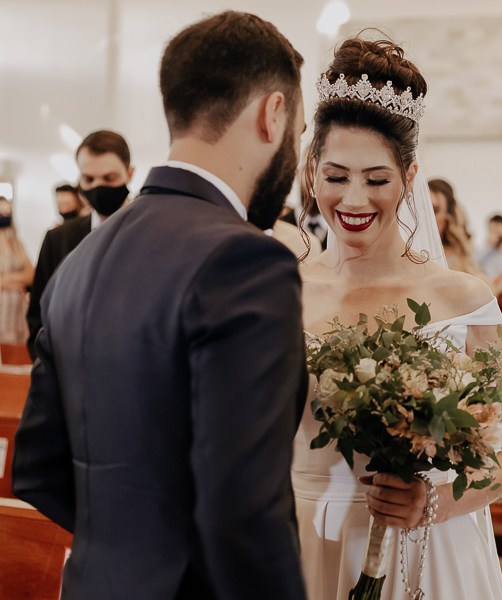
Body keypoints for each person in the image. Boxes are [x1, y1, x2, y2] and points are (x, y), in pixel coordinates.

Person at [13, 11, 308, 599]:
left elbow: (37, 468)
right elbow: (246, 512)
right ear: (273, 114)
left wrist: (132, 545)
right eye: (299, 130)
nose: (294, 148)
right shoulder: (246, 261)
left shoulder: (81, 261)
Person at [294, 37, 502, 599]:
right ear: (311, 172)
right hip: (300, 541)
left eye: (376, 179)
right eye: (335, 176)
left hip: (421, 550)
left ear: (409, 177)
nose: (353, 199)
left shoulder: (461, 298)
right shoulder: (283, 290)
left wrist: (434, 503)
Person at [26, 130, 134, 359]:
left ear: (129, 174)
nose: (98, 186)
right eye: (89, 179)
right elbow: (38, 319)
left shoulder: (151, 234)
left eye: (109, 178)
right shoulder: (58, 239)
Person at [428, 178, 483, 277]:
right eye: (423, 208)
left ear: (448, 217)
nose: (427, 217)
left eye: (435, 210)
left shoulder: (460, 258)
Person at [0, 196, 33, 344]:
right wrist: (16, 281)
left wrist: (5, 280)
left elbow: (30, 275)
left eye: (7, 212)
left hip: (18, 314)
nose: (4, 216)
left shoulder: (17, 243)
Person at [474, 213, 502, 279]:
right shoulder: (483, 250)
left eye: (498, 230)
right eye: (492, 230)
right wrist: (488, 245)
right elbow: (474, 262)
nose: (495, 234)